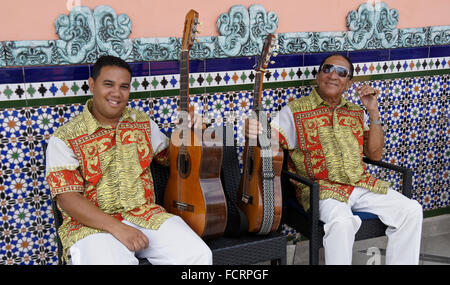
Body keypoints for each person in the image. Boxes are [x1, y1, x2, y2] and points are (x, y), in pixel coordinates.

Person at [247, 54, 423, 265]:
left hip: (360, 185)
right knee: (342, 222)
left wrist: (373, 110)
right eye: (327, 69)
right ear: (318, 76)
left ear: (349, 83)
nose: (333, 75)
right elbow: (264, 144)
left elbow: (375, 155)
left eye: (341, 73)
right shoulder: (293, 112)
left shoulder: (357, 112)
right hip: (321, 190)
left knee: (411, 210)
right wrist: (250, 131)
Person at [45, 55, 212, 265]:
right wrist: (118, 228)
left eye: (124, 86)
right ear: (92, 84)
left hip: (146, 216)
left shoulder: (142, 123)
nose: (116, 93)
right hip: (91, 227)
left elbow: (170, 159)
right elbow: (67, 198)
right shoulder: (64, 138)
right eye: (108, 84)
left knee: (197, 255)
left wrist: (191, 134)